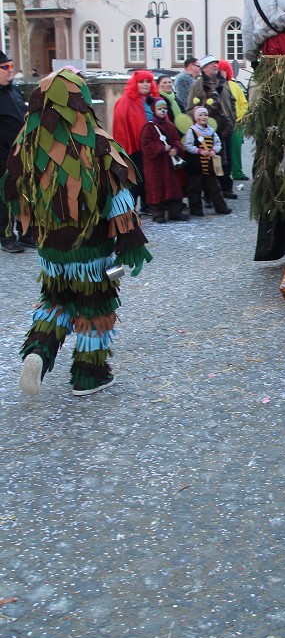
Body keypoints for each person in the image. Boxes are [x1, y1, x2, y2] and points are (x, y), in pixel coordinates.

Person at [2, 68, 152, 396]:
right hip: (91, 250)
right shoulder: (96, 144)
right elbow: (119, 198)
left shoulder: (25, 148)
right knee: (95, 306)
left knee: (56, 301)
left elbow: (13, 196)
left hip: (51, 252)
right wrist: (130, 243)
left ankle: (38, 352)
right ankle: (89, 374)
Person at [185, 55, 237, 200]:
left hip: (224, 126)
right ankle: (210, 192)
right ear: (204, 68)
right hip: (206, 129)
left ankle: (226, 187)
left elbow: (232, 101)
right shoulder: (198, 84)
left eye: (216, 63)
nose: (215, 65)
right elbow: (190, 107)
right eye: (211, 63)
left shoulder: (223, 82)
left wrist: (232, 117)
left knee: (226, 158)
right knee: (209, 160)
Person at [112, 70, 160, 209]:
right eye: (141, 82)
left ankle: (147, 205)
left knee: (150, 177)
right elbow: (121, 126)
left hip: (152, 146)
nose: (145, 85)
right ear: (135, 84)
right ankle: (128, 207)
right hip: (136, 147)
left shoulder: (153, 99)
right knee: (138, 179)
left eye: (148, 82)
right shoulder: (126, 101)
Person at [139, 97, 189, 223]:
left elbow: (177, 140)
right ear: (154, 110)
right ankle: (157, 214)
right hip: (155, 165)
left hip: (168, 164)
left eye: (165, 109)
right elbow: (145, 145)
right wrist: (161, 148)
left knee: (173, 187)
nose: (162, 111)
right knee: (156, 188)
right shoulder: (148, 128)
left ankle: (175, 212)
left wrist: (176, 149)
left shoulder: (170, 126)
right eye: (159, 109)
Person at [0, 50, 27, 253]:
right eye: (5, 67)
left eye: (11, 66)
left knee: (23, 194)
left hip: (20, 152)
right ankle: (6, 236)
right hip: (2, 155)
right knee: (5, 197)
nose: (11, 71)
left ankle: (25, 232)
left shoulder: (14, 91)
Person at [183, 106, 232, 217]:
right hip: (196, 165)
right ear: (196, 117)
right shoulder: (192, 131)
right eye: (200, 115)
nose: (203, 117)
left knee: (215, 187)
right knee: (195, 188)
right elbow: (188, 146)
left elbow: (218, 143)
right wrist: (199, 151)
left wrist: (214, 150)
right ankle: (195, 209)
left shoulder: (211, 131)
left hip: (210, 166)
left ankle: (221, 207)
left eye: (205, 115)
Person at [217, 60, 249, 180]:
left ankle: (237, 172)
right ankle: (223, 174)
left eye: (224, 70)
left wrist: (239, 117)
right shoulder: (215, 86)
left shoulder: (235, 86)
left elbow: (243, 103)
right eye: (220, 71)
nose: (222, 73)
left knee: (236, 148)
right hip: (222, 124)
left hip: (236, 123)